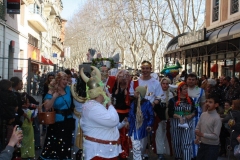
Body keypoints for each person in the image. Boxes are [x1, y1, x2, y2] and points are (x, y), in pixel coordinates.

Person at [80, 66, 122, 160]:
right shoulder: (93, 107)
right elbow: (113, 120)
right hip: (99, 152)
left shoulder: (94, 105)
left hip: (104, 151)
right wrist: (110, 104)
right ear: (100, 93)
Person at [129, 60, 163, 159]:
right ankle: (138, 154)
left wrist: (151, 105)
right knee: (137, 136)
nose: (145, 70)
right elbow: (131, 95)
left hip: (149, 113)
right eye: (143, 68)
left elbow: (159, 97)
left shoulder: (155, 82)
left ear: (150, 69)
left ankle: (145, 153)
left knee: (147, 135)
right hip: (137, 113)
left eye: (147, 68)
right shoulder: (135, 81)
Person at [38, 72, 75, 160]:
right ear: (58, 80)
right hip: (57, 123)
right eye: (63, 79)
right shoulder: (51, 90)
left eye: (66, 79)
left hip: (68, 121)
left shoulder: (69, 89)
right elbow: (46, 107)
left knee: (66, 145)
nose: (65, 81)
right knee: (54, 146)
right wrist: (54, 97)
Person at [168, 81, 196, 160]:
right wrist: (178, 117)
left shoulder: (190, 100)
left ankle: (187, 158)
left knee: (186, 142)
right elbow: (170, 112)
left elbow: (195, 110)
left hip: (187, 124)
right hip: (176, 124)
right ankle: (178, 157)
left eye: (187, 89)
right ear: (179, 90)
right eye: (184, 89)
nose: (186, 90)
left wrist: (191, 115)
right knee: (176, 142)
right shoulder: (173, 100)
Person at [126, 86, 154, 160]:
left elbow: (151, 116)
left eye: (135, 91)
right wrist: (128, 121)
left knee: (141, 147)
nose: (134, 92)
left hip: (143, 127)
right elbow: (130, 114)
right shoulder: (133, 103)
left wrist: (149, 125)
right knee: (136, 146)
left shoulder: (147, 103)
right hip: (134, 127)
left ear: (139, 93)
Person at [195, 95, 222, 160]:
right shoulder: (203, 114)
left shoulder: (217, 118)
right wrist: (198, 137)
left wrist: (202, 134)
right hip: (202, 145)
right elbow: (198, 128)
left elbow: (215, 136)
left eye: (210, 102)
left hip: (212, 147)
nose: (207, 104)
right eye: (207, 101)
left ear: (216, 105)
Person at [112, 69, 131, 159]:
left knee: (125, 136)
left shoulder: (131, 88)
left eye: (126, 76)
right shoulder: (114, 87)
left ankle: (124, 154)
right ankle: (116, 153)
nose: (124, 78)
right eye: (121, 76)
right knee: (116, 135)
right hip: (115, 115)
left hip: (126, 115)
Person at [153, 77, 174, 160]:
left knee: (167, 135)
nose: (165, 85)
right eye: (163, 83)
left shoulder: (171, 94)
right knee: (159, 135)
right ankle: (160, 153)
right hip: (158, 118)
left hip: (168, 118)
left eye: (167, 84)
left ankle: (167, 152)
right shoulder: (156, 93)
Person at [186, 73, 205, 159]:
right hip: (184, 115)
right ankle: (186, 153)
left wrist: (204, 115)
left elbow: (203, 104)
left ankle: (195, 154)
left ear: (196, 81)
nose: (191, 81)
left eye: (193, 79)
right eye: (189, 79)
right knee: (186, 135)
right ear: (186, 80)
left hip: (197, 116)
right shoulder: (183, 89)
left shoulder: (200, 90)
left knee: (195, 134)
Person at [0, 80, 18, 151]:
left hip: (1, 118)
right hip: (9, 119)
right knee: (8, 137)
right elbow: (16, 107)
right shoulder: (12, 95)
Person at [20, 93, 38, 159]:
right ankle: (30, 153)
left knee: (23, 141)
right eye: (28, 102)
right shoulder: (29, 111)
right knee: (30, 141)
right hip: (29, 128)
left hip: (22, 128)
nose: (29, 103)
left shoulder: (20, 112)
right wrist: (37, 108)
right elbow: (35, 114)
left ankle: (23, 153)